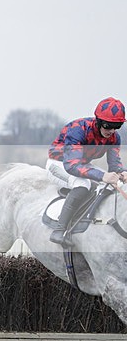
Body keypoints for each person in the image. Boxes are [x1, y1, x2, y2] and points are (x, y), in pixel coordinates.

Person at [46, 96, 127, 244]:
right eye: (108, 125)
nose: (112, 131)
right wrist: (103, 176)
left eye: (117, 126)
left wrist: (122, 173)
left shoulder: (115, 138)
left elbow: (114, 166)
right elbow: (72, 165)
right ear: (99, 121)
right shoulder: (78, 130)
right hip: (59, 164)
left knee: (109, 185)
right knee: (83, 185)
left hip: (81, 164)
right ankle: (59, 230)